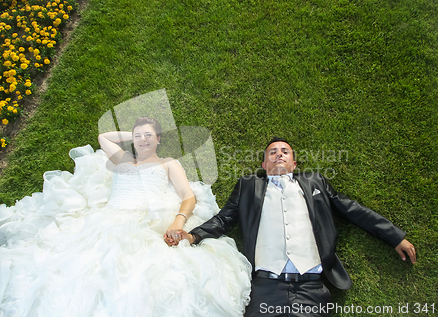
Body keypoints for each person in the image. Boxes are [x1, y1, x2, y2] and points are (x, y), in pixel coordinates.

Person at [0, 116, 251, 317]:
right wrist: (135, 133)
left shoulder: (168, 163)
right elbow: (103, 138)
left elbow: (188, 196)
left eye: (149, 135)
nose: (142, 139)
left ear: (159, 139)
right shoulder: (123, 160)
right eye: (138, 135)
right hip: (108, 218)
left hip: (147, 222)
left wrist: (178, 220)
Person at [174, 136, 416, 317]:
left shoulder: (314, 181)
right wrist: (193, 236)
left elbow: (351, 209)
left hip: (311, 286)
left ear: (293, 162)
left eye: (285, 152)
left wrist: (394, 237)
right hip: (264, 287)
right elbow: (224, 218)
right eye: (272, 152)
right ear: (264, 163)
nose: (279, 154)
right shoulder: (249, 185)